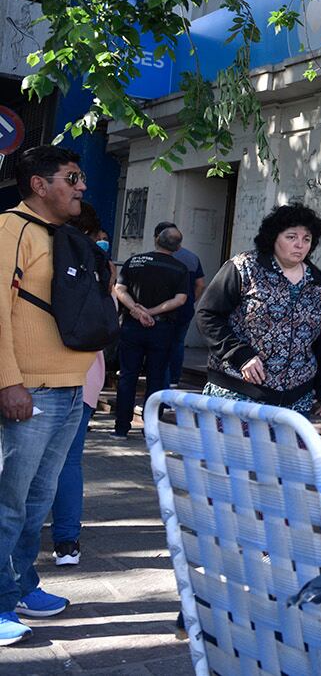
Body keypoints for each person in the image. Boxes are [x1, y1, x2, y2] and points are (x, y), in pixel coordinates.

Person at [0, 145, 99, 646]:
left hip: (67, 390)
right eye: (71, 176)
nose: (81, 185)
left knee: (36, 501)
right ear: (40, 185)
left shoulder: (60, 235)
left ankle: (20, 585)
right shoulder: (8, 229)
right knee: (7, 502)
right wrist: (7, 381)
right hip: (27, 390)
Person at [196, 203, 321, 415]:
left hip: (296, 399)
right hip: (238, 391)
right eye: (291, 237)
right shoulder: (245, 267)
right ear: (273, 237)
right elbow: (208, 315)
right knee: (234, 450)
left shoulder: (317, 283)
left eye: (306, 239)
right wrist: (240, 355)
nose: (300, 245)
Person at [49, 208, 114, 568]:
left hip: (44, 370)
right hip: (88, 371)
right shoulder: (101, 263)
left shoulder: (50, 255)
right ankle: (66, 541)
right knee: (68, 460)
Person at [111, 226, 189, 438]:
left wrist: (136, 310)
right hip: (162, 328)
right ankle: (151, 428)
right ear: (178, 247)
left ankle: (120, 428)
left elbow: (119, 289)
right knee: (156, 379)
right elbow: (180, 300)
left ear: (156, 240)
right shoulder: (180, 269)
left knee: (128, 376)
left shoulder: (134, 261)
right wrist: (151, 313)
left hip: (132, 327)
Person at [157, 222, 205, 391]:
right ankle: (174, 378)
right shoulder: (192, 258)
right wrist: (190, 300)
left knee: (160, 344)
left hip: (160, 311)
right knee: (178, 343)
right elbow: (200, 284)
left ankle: (161, 377)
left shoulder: (157, 258)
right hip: (184, 309)